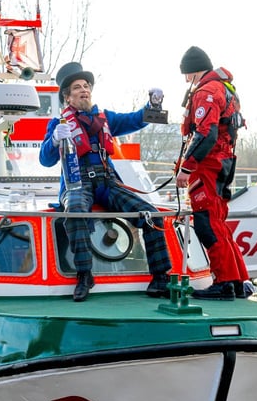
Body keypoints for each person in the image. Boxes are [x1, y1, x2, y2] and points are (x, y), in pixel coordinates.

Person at [39, 62, 172, 302]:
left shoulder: (106, 118)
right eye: (77, 87)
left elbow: (135, 120)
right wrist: (54, 140)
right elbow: (45, 160)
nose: (84, 90)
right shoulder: (58, 124)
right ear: (67, 97)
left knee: (151, 215)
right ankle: (84, 275)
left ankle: (161, 277)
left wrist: (152, 106)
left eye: (86, 86)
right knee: (75, 212)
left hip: (108, 183)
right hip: (77, 183)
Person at [176, 46, 251, 300]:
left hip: (208, 165)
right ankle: (238, 280)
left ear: (193, 72)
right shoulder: (225, 89)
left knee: (207, 223)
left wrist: (186, 167)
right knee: (219, 222)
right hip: (224, 161)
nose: (186, 81)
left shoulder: (206, 92)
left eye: (186, 75)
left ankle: (224, 282)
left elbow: (206, 133)